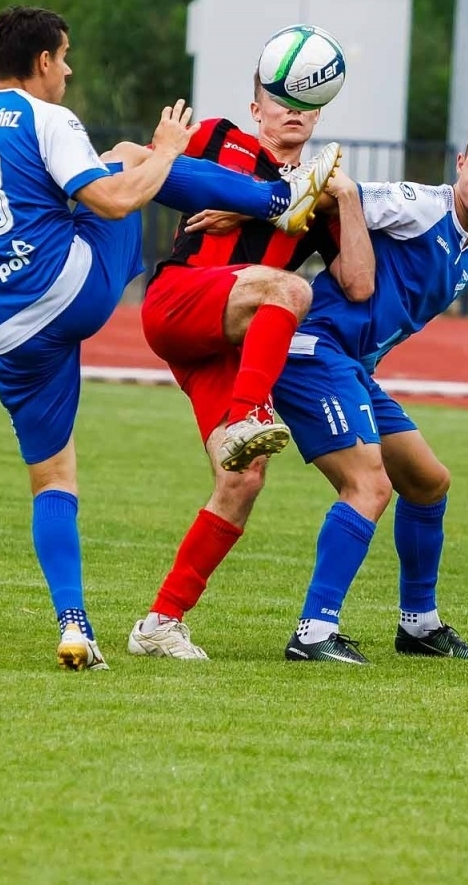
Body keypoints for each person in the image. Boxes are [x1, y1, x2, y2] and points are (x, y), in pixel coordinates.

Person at [0, 6, 339, 671]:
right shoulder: (46, 117)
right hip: (69, 290)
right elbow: (118, 203)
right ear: (40, 64)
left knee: (53, 479)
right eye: (63, 58)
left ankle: (76, 627)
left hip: (1, 326)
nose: (68, 70)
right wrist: (167, 152)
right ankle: (277, 199)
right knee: (128, 158)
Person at [127, 74, 376, 661]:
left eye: (306, 105)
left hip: (224, 348)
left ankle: (160, 622)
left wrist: (346, 198)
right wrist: (174, 161)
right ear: (255, 108)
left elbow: (360, 283)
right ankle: (247, 415)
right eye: (281, 100)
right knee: (289, 289)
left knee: (243, 477)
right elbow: (133, 165)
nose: (293, 112)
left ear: (318, 118)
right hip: (178, 301)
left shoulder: (317, 194)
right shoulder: (218, 141)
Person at [274, 113, 468, 664]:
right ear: (460, 163)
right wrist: (244, 206)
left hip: (353, 368)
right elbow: (328, 196)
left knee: (427, 481)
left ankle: (419, 626)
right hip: (314, 353)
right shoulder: (421, 205)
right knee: (369, 487)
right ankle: (314, 631)